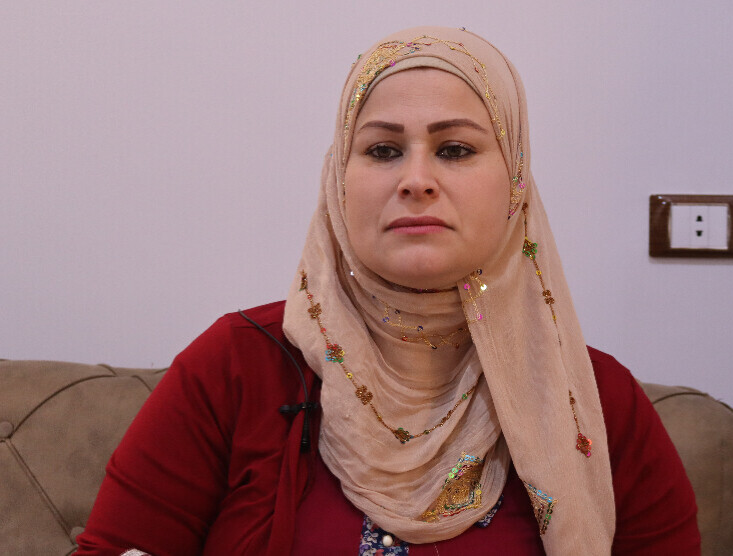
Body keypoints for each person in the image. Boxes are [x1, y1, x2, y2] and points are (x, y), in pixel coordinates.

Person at [75, 26, 700, 555]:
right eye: (382, 149)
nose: (416, 179)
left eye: (454, 149)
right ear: (339, 180)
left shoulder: (596, 404)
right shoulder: (237, 366)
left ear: (514, 180)